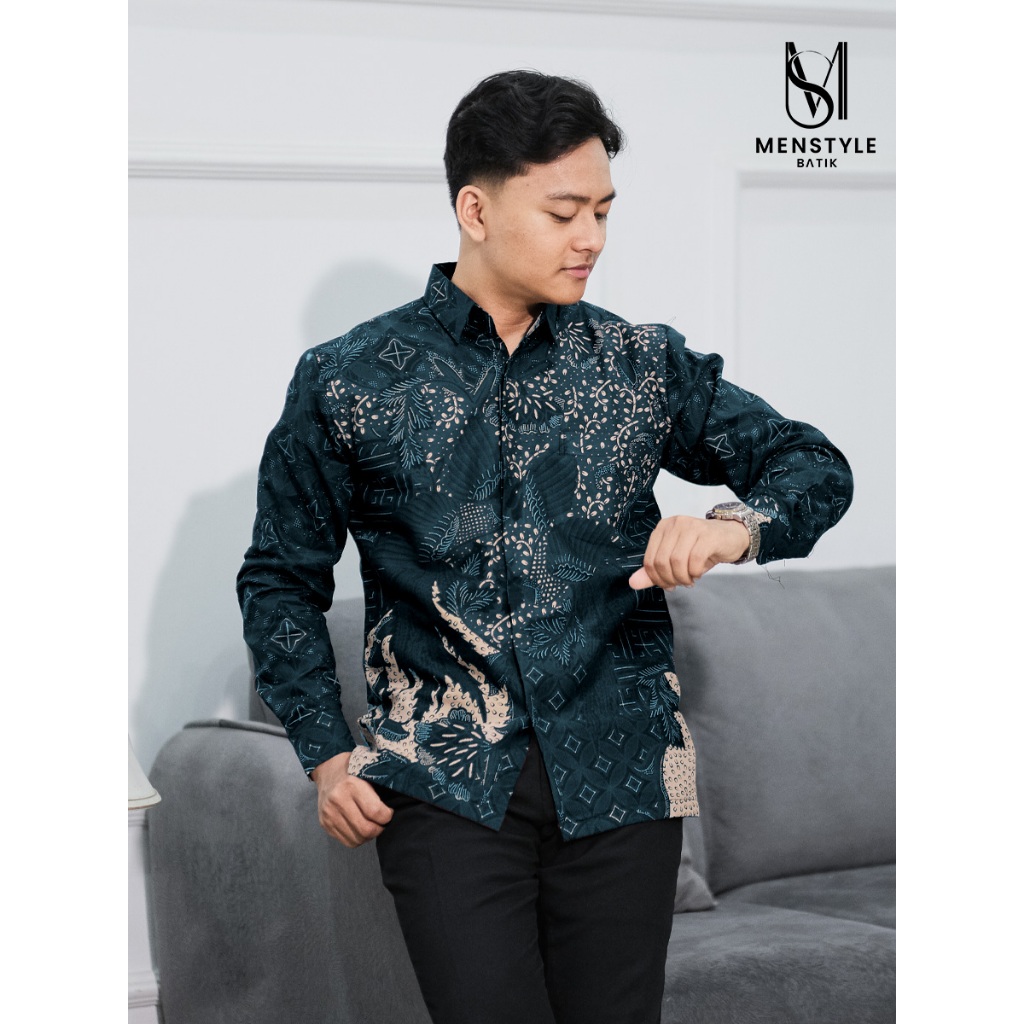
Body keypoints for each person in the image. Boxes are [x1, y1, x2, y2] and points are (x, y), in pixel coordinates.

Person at [237, 69, 853, 1024]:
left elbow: (813, 464)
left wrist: (734, 527)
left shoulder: (640, 363)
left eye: (603, 211)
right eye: (565, 212)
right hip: (445, 782)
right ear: (475, 209)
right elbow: (280, 578)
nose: (591, 238)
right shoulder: (346, 380)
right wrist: (325, 754)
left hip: (625, 776)